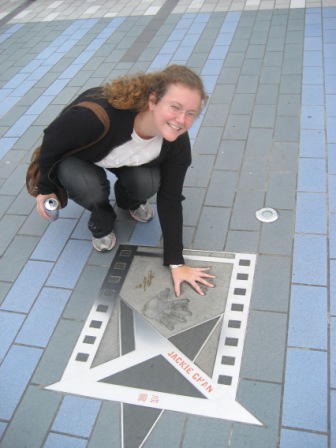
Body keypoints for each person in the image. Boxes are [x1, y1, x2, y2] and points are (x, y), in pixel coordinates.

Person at [36, 64, 216, 297]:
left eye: (191, 113)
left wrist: (176, 262)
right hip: (86, 156)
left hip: (126, 160)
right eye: (175, 107)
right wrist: (45, 189)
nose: (181, 120)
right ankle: (101, 219)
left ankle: (128, 201)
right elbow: (52, 139)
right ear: (153, 101)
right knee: (91, 190)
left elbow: (170, 199)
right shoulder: (93, 118)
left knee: (148, 184)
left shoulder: (176, 144)